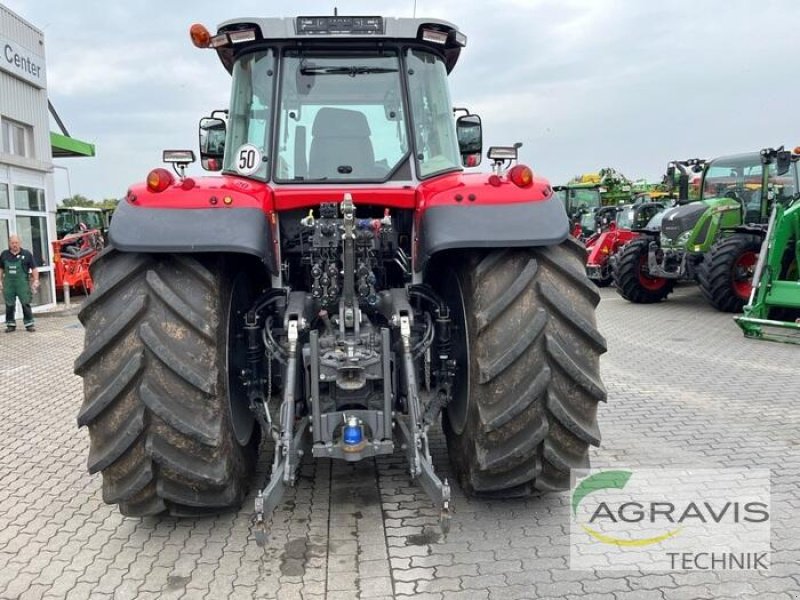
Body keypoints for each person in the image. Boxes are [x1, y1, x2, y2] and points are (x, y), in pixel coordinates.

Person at [0, 235, 39, 332]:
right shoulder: (4, 254)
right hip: (9, 285)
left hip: (22, 285)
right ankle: (10, 324)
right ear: (9, 243)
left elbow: (34, 268)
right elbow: (1, 269)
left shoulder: (26, 254)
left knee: (25, 303)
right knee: (9, 305)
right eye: (12, 243)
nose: (14, 245)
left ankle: (29, 324)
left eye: (16, 243)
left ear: (19, 243)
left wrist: (36, 280)